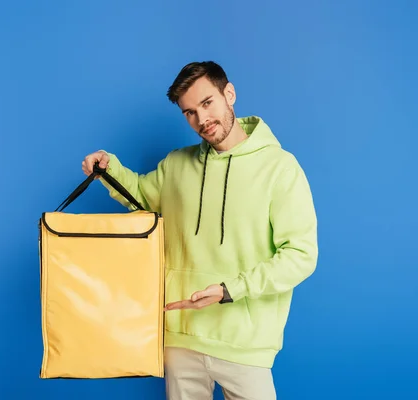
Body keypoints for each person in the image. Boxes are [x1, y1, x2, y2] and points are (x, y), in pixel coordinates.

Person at [82, 61, 318, 400]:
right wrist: (108, 168)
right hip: (181, 336)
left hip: (246, 344)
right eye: (190, 112)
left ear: (229, 94)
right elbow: (141, 197)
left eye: (207, 103)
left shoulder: (279, 168)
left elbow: (301, 255)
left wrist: (229, 290)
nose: (202, 120)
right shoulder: (177, 164)